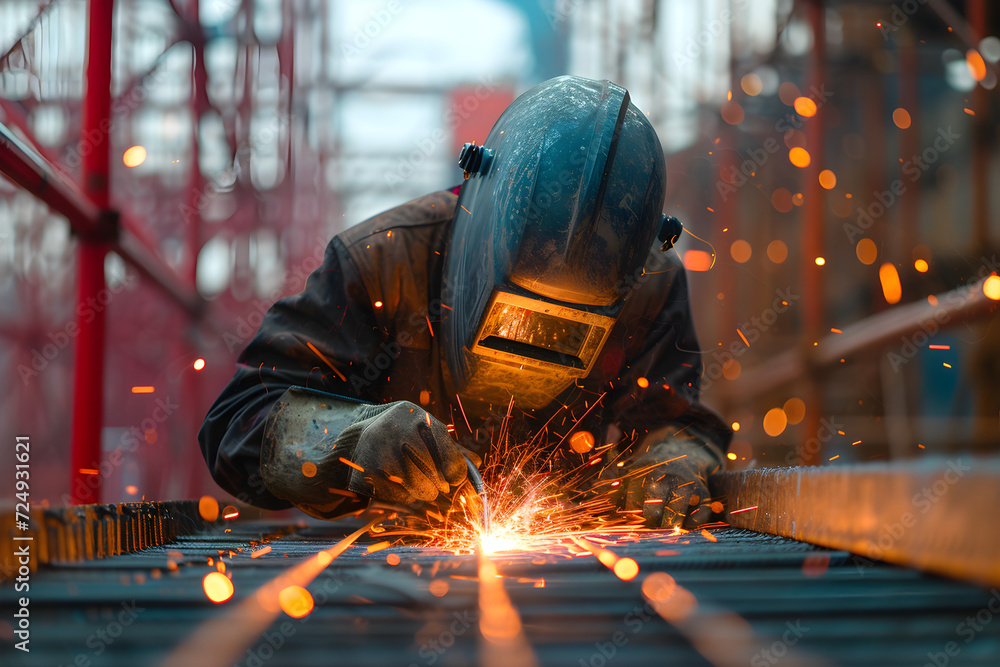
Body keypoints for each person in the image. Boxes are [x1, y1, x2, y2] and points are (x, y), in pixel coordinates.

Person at [198, 75, 732, 529]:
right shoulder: (379, 265)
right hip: (388, 576)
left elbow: (679, 420)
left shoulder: (651, 286)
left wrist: (674, 459)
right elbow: (235, 424)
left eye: (567, 329)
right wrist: (351, 438)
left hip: (565, 572)